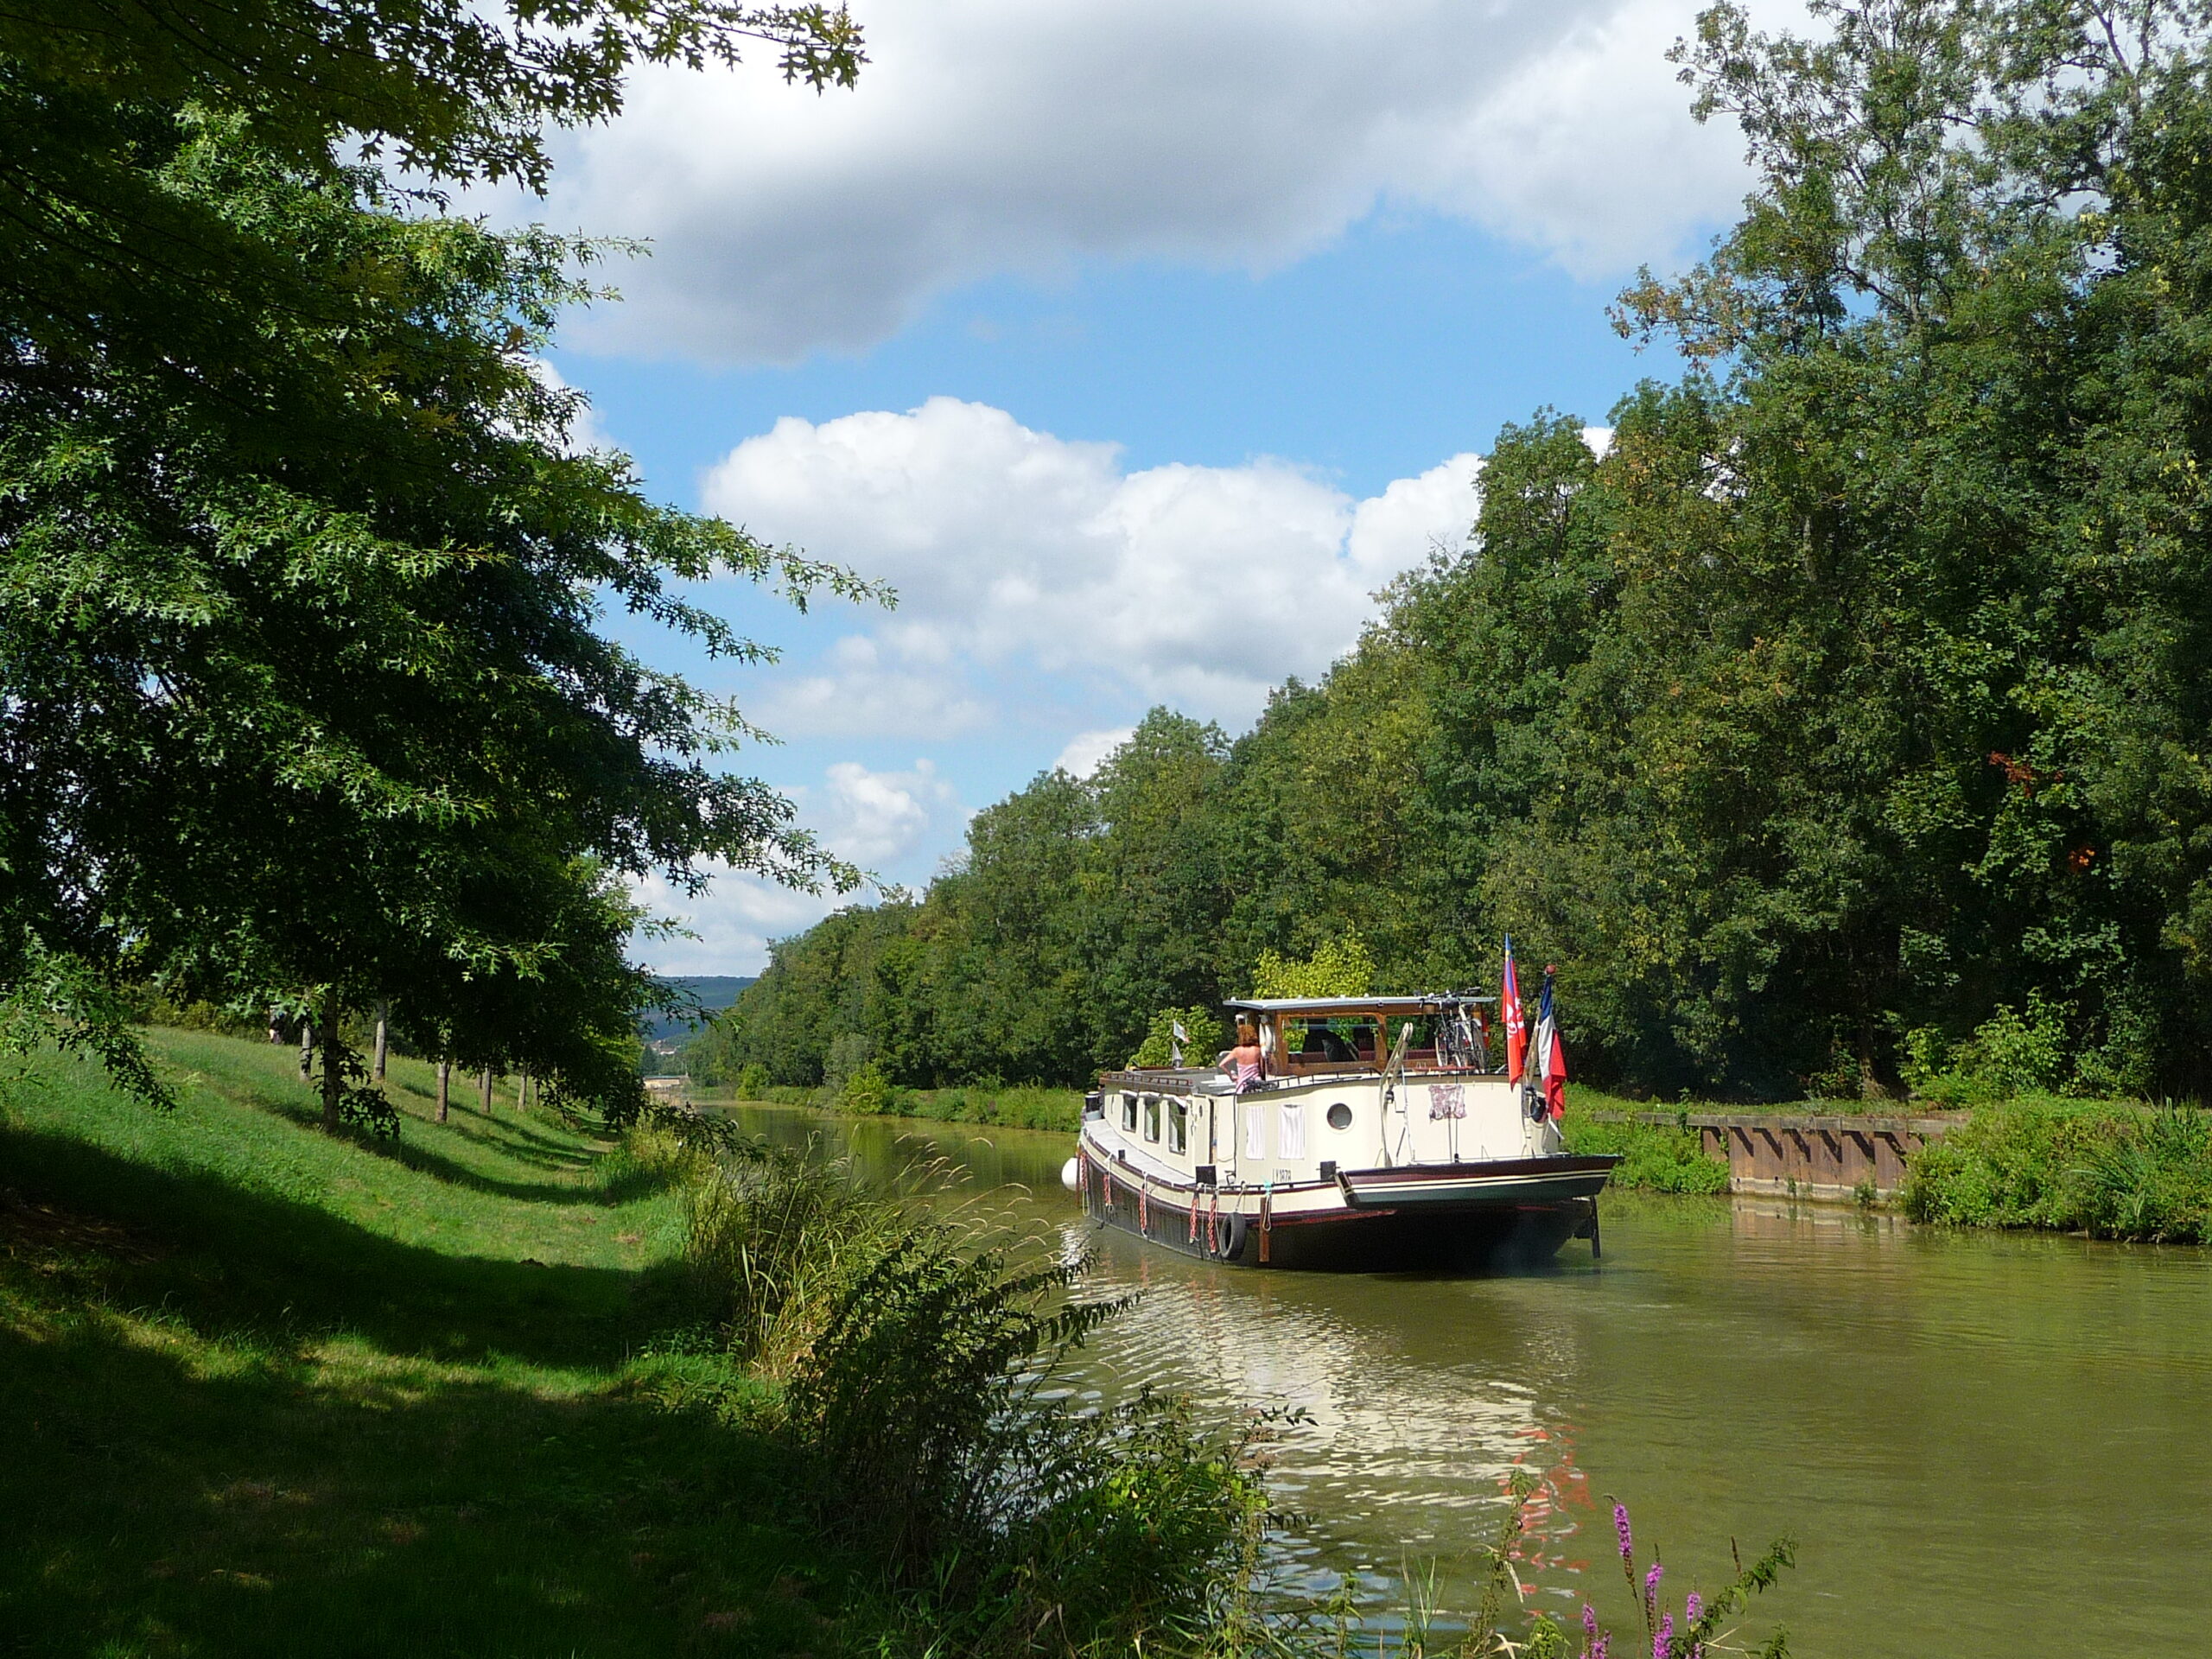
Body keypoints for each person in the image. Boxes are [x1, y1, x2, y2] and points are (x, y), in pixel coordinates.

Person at [1228, 1020, 1267, 1091]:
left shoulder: (1237, 1050)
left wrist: (1231, 1076)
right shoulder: (1257, 1050)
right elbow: (1262, 1068)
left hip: (1243, 1083)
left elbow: (1222, 1065)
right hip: (1256, 1082)